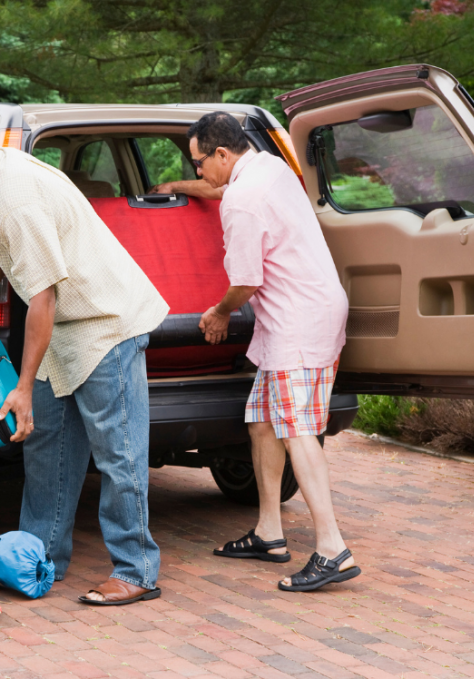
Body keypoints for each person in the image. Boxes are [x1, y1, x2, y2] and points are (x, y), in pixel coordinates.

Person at [0, 113, 169, 605]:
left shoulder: (18, 199)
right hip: (63, 336)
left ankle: (136, 570)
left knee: (118, 454)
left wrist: (23, 386)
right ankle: (38, 559)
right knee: (46, 451)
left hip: (104, 327)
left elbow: (43, 297)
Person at [154, 112, 359, 592]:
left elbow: (247, 281)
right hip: (308, 312)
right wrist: (176, 184)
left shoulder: (243, 200)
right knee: (262, 420)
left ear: (223, 154)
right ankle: (269, 533)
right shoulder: (270, 167)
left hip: (297, 323)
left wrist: (219, 314)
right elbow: (219, 187)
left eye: (199, 162)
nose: (199, 171)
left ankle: (333, 548)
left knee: (299, 428)